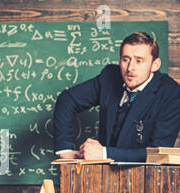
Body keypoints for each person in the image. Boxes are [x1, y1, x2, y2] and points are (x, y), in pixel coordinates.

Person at [53, 32, 180, 162]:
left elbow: (158, 153)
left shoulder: (172, 94)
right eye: (126, 59)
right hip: (102, 174)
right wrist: (64, 149)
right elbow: (67, 100)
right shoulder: (109, 77)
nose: (130, 68)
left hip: (143, 177)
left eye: (139, 61)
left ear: (155, 65)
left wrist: (105, 153)